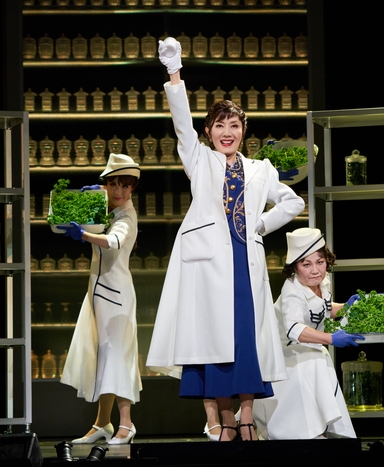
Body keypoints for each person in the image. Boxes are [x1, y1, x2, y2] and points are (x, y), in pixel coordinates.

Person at [145, 37, 305, 442]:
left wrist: (260, 225)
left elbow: (293, 202)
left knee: (246, 338)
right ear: (209, 131)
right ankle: (225, 419)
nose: (227, 132)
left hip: (244, 259)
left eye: (234, 125)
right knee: (212, 342)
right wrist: (174, 73)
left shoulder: (261, 168)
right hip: (207, 265)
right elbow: (181, 124)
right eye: (219, 125)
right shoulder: (199, 159)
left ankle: (247, 417)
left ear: (244, 130)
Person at [57, 153, 142, 445]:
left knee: (117, 357)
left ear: (132, 188)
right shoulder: (109, 209)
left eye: (125, 185)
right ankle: (102, 423)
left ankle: (126, 424)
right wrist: (91, 200)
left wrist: (83, 235)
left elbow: (114, 241)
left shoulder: (126, 216)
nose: (119, 191)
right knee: (103, 356)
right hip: (99, 293)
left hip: (116, 296)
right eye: (113, 184)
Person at [252, 228, 361, 439]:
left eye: (320, 262)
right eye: (306, 265)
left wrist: (343, 308)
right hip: (282, 356)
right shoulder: (292, 292)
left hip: (306, 350)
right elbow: (293, 328)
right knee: (316, 358)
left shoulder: (322, 282)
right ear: (295, 267)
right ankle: (308, 433)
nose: (315, 271)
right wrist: (331, 339)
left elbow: (321, 309)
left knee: (319, 356)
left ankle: (326, 429)